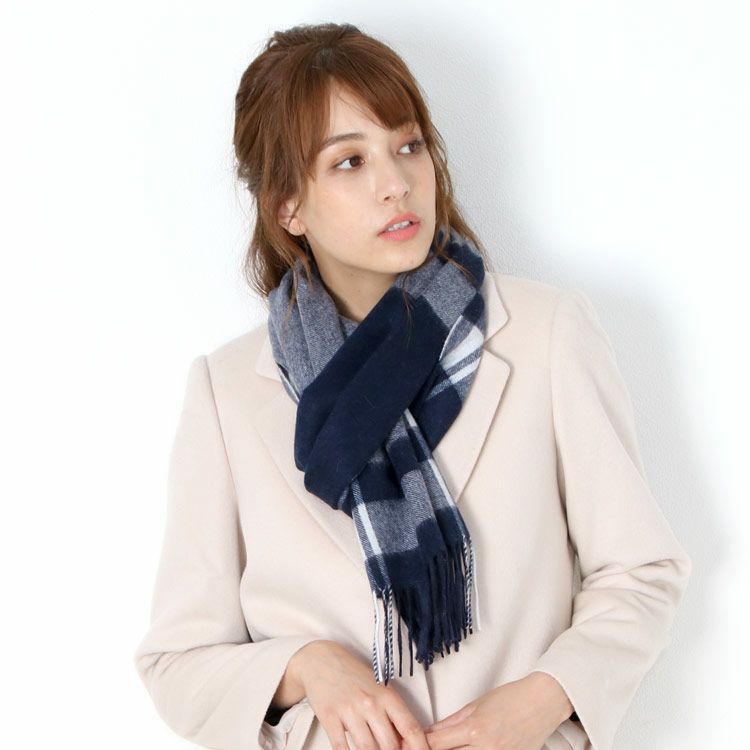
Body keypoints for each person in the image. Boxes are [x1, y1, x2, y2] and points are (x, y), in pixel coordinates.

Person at [133, 22, 692, 750]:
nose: (396, 183)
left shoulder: (547, 333)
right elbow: (178, 663)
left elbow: (642, 570)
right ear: (288, 206)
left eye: (408, 146)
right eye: (349, 161)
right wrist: (308, 667)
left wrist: (542, 700)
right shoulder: (229, 391)